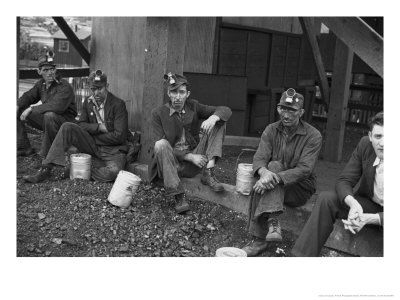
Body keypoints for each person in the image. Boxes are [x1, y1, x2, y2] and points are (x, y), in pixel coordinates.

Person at [241, 88, 322, 256]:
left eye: (292, 110)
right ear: (278, 109)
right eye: (282, 109)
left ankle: (259, 241)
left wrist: (274, 177)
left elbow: (304, 169)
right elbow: (259, 158)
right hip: (274, 183)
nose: (286, 114)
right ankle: (273, 223)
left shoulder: (313, 135)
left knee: (268, 178)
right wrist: (264, 173)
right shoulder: (271, 130)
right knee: (268, 174)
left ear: (301, 112)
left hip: (300, 188)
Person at [291, 112, 384, 257]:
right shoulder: (366, 144)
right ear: (371, 136)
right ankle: (302, 257)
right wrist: (353, 203)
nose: (383, 143)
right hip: (372, 206)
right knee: (327, 199)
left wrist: (371, 219)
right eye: (378, 136)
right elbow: (344, 180)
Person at [23, 69, 129, 183]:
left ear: (107, 86)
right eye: (93, 89)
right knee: (68, 126)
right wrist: (98, 128)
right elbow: (81, 125)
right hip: (93, 145)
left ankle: (79, 171)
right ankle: (46, 169)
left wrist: (94, 137)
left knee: (114, 172)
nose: (96, 93)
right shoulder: (88, 102)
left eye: (100, 88)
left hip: (112, 150)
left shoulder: (118, 104)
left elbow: (119, 136)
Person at [149, 72, 232, 214]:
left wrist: (213, 118)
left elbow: (225, 110)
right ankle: (178, 196)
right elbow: (158, 147)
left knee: (220, 121)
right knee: (160, 144)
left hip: (194, 164)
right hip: (171, 165)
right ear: (168, 93)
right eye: (173, 92)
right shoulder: (158, 113)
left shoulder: (193, 106)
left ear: (187, 94)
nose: (177, 96)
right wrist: (189, 156)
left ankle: (208, 172)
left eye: (181, 92)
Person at [17, 50, 77, 157]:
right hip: (49, 121)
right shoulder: (41, 84)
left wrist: (31, 109)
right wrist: (17, 105)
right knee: (18, 110)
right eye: (45, 70)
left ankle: (47, 156)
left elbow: (58, 107)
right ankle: (24, 147)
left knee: (50, 115)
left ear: (55, 70)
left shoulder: (64, 85)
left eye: (52, 69)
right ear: (39, 71)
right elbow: (29, 96)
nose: (50, 73)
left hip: (67, 123)